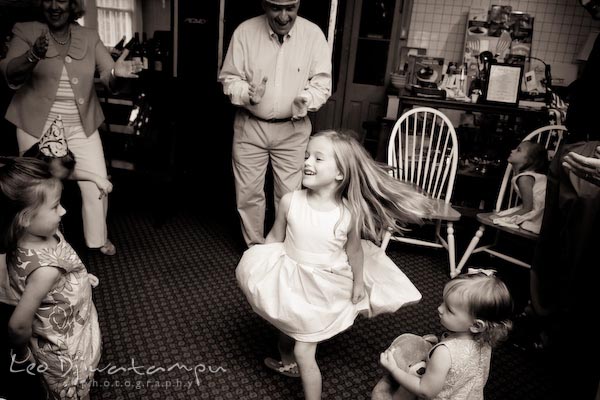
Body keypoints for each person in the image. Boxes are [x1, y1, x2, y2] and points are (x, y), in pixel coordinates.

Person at [236, 130, 433, 400]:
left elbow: (354, 252)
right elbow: (274, 237)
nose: (307, 163)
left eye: (318, 159)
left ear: (340, 173)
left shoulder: (347, 214)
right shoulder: (290, 201)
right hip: (291, 276)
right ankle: (287, 361)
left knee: (305, 350)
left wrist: (358, 283)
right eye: (306, 156)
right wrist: (261, 262)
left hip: (322, 286)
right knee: (287, 324)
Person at [0, 0, 143, 256]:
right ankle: (41, 246)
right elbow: (10, 72)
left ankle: (98, 238)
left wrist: (116, 73)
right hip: (36, 124)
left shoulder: (88, 36)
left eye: (62, 0)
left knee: (98, 182)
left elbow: (108, 75)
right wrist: (32, 55)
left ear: (73, 4)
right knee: (36, 190)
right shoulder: (26, 30)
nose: (55, 6)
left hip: (81, 125)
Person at [219, 0, 332, 247]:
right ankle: (256, 251)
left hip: (293, 130)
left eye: (290, 8)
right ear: (263, 5)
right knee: (248, 195)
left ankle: (284, 251)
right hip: (250, 126)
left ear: (299, 4)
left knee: (290, 197)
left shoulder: (313, 35)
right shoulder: (244, 32)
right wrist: (247, 94)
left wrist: (307, 99)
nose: (283, 16)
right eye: (275, 8)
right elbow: (229, 79)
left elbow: (322, 84)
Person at [530, 1, 600, 398]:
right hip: (576, 139)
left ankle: (564, 346)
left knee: (577, 256)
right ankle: (545, 326)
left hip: (591, 151)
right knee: (552, 246)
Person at [0, 156, 101, 400]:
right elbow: (17, 325)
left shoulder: (38, 232)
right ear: (25, 218)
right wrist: (23, 356)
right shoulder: (44, 271)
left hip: (72, 317)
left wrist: (79, 277)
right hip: (62, 348)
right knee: (71, 391)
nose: (64, 210)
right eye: (56, 206)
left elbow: (62, 258)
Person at [379, 270, 513, 400]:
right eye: (443, 302)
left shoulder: (444, 352)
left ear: (476, 325)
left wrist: (394, 369)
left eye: (449, 309)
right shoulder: (485, 340)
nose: (439, 309)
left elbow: (425, 391)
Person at [23, 116, 113, 199]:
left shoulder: (59, 171)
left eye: (62, 178)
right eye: (54, 176)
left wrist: (97, 179)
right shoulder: (27, 180)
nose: (59, 183)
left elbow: (70, 174)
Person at [491, 140, 548, 234]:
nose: (512, 150)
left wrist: (502, 218)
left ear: (528, 160)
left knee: (500, 218)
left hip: (542, 214)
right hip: (538, 209)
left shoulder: (524, 179)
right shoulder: (527, 176)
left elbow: (527, 208)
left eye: (518, 150)